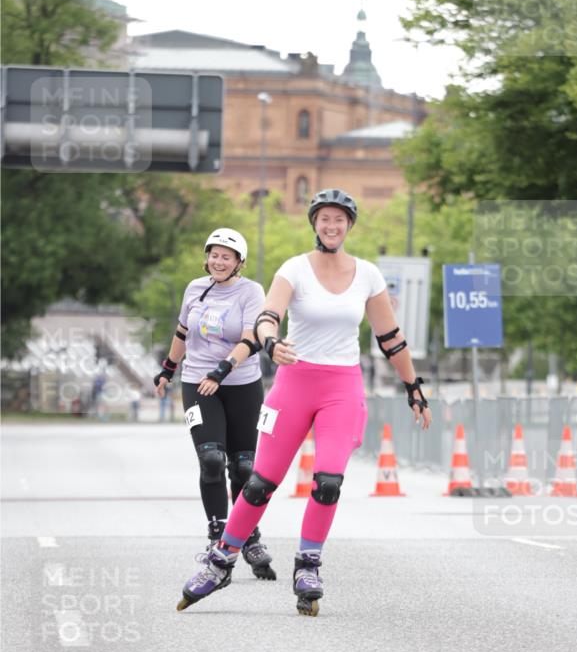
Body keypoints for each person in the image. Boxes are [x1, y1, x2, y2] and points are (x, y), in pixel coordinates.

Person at [178, 189, 432, 616]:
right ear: (314, 223)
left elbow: (390, 338)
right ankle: (221, 561)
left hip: (342, 388)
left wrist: (414, 387)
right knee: (259, 483)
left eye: (339, 220)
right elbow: (267, 316)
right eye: (324, 219)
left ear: (349, 225)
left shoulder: (368, 274)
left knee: (328, 482)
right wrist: (271, 341)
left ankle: (308, 566)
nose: (331, 226)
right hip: (294, 383)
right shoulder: (294, 268)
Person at [154, 228, 275, 580]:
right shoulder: (194, 288)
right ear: (206, 257)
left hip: (241, 384)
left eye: (227, 256)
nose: (218, 261)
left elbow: (251, 338)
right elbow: (181, 333)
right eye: (214, 255)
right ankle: (217, 535)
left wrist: (221, 371)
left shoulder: (251, 292)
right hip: (196, 383)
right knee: (210, 459)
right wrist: (167, 370)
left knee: (243, 467)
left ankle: (248, 536)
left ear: (240, 263)